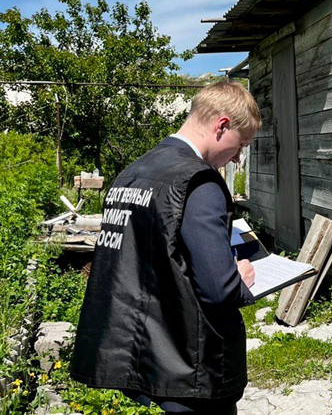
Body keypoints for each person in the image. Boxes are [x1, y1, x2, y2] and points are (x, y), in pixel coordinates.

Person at [70, 81, 262, 414]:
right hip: (192, 368)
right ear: (222, 125)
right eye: (240, 144)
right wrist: (239, 278)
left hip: (146, 356)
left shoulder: (132, 174)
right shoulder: (198, 182)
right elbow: (218, 289)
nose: (237, 157)